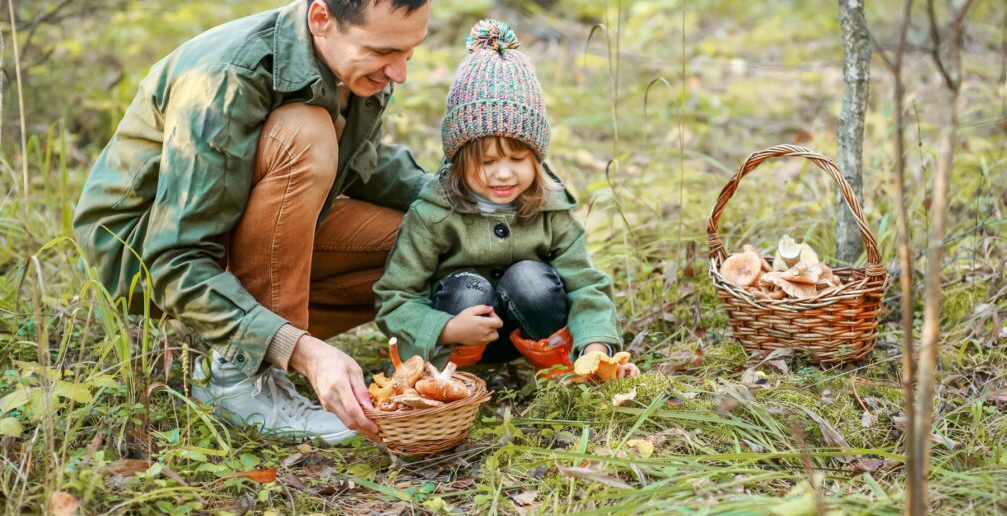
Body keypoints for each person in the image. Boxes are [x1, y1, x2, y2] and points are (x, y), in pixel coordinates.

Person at [72, 0, 433, 444]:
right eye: (382, 52)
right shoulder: (225, 77)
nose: (399, 73)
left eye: (410, 52)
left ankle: (234, 340)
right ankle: (242, 379)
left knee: (423, 240)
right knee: (303, 132)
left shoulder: (352, 65)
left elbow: (364, 165)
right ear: (321, 18)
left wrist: (478, 200)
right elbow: (174, 255)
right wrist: (304, 354)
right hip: (144, 254)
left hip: (242, 232)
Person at [374, 20, 639, 380]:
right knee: (468, 289)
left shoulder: (550, 208)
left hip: (532, 328)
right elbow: (396, 297)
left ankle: (561, 366)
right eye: (487, 162)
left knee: (529, 279)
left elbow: (585, 283)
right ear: (459, 158)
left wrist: (596, 346)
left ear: (537, 157)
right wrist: (445, 329)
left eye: (517, 160)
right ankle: (455, 377)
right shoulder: (434, 214)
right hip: (461, 333)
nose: (503, 174)